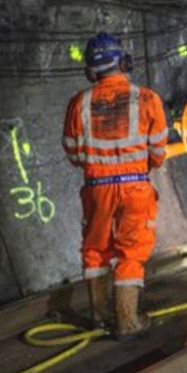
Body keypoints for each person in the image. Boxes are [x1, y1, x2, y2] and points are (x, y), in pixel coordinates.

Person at [62, 32, 168, 340]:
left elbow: (72, 151)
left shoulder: (78, 104)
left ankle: (99, 316)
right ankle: (127, 321)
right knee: (131, 252)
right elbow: (159, 153)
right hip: (135, 188)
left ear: (92, 68)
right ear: (122, 62)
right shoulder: (147, 98)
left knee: (94, 249)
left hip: (97, 187)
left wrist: (99, 165)